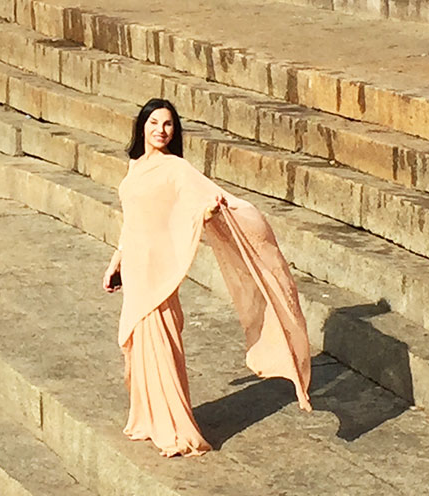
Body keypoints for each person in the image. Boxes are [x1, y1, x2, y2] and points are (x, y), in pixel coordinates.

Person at [103, 99, 312, 458]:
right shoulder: (135, 166)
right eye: (154, 122)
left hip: (159, 268)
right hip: (136, 267)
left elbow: (194, 203)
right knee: (139, 343)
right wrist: (115, 262)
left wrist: (209, 209)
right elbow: (132, 220)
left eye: (168, 124)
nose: (160, 130)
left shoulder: (176, 168)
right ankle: (150, 419)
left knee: (162, 341)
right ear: (142, 125)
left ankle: (175, 428)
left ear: (175, 131)